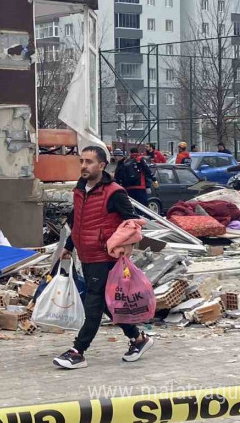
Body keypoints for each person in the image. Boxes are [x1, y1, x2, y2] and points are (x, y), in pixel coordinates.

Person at [53, 146, 154, 370]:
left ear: (102, 165)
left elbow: (133, 223)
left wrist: (124, 244)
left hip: (104, 257)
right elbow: (77, 220)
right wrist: (69, 246)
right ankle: (139, 339)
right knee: (109, 303)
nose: (83, 166)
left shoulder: (114, 192)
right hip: (86, 256)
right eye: (81, 161)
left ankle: (78, 351)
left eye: (89, 162)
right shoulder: (80, 189)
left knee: (94, 304)